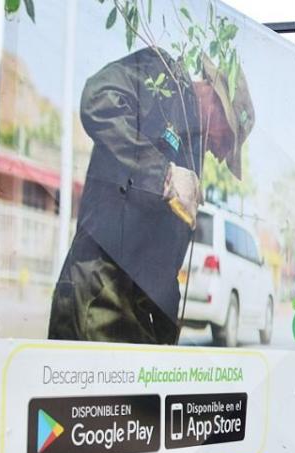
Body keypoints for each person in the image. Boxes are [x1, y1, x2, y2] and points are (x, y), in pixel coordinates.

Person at [48, 47, 254, 345]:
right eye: (228, 139)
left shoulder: (193, 153)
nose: (222, 154)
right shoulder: (163, 79)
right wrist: (163, 174)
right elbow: (97, 100)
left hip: (138, 317)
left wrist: (167, 332)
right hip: (98, 294)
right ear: (216, 101)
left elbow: (165, 261)